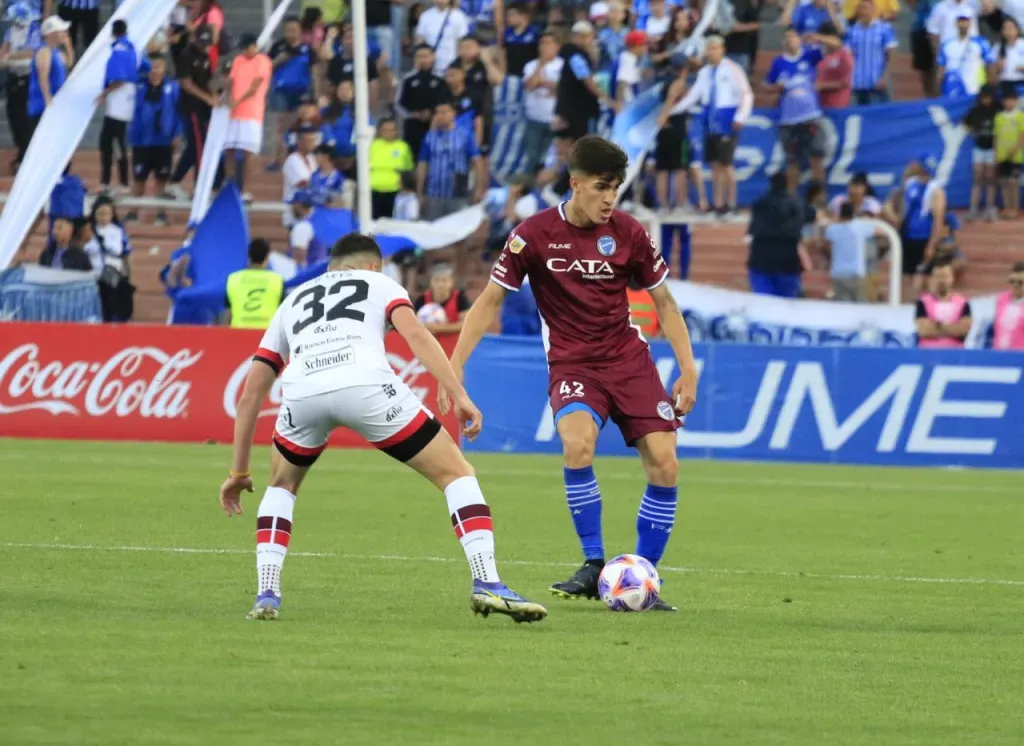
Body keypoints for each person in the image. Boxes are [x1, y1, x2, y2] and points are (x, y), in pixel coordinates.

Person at [219, 232, 547, 624]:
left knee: (282, 485)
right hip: (366, 387)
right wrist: (458, 392)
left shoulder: (293, 300)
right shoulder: (379, 283)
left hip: (303, 392)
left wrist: (239, 472)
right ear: (374, 265)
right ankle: (487, 581)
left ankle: (267, 594)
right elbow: (416, 334)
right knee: (457, 473)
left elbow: (251, 394)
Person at [439, 136, 698, 611]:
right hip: (573, 362)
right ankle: (594, 563)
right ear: (575, 184)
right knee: (578, 444)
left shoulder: (630, 232)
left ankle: (644, 577)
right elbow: (490, 301)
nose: (609, 198)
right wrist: (454, 365)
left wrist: (688, 368)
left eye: (615, 188)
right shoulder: (533, 235)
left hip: (628, 359)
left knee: (666, 462)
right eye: (601, 187)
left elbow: (664, 302)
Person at [665, 36, 753, 216]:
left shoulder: (733, 69)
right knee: (714, 165)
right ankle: (718, 203)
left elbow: (746, 94)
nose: (711, 52)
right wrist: (671, 111)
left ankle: (731, 204)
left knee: (726, 164)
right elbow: (693, 96)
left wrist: (741, 116)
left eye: (714, 48)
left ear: (722, 49)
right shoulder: (704, 72)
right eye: (708, 49)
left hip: (727, 119)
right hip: (710, 121)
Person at [765, 27, 839, 193]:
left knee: (816, 158)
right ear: (782, 42)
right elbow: (767, 85)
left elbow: (836, 45)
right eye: (787, 37)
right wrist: (776, 87)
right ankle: (791, 198)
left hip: (810, 117)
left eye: (793, 37)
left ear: (799, 40)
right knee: (792, 162)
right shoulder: (778, 63)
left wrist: (817, 37)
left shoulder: (809, 55)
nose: (790, 40)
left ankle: (818, 198)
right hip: (789, 120)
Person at [127, 56, 179, 227]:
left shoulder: (172, 88)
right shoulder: (139, 87)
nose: (155, 71)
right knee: (139, 178)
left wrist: (177, 134)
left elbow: (178, 112)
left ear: (164, 70)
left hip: (163, 141)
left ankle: (161, 213)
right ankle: (133, 213)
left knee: (161, 180)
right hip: (142, 141)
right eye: (152, 68)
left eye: (158, 67)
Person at [747, 171, 816, 298]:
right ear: (787, 184)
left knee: (763, 302)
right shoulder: (797, 203)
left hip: (761, 260)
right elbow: (811, 215)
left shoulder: (760, 203)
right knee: (787, 304)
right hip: (788, 261)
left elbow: (752, 230)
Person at [167, 25, 217, 199]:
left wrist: (215, 95)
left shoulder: (205, 55)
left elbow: (208, 80)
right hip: (191, 107)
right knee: (198, 146)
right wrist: (206, 98)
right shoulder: (187, 55)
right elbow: (186, 84)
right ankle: (196, 186)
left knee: (196, 147)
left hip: (203, 108)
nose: (204, 46)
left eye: (207, 43)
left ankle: (175, 182)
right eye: (202, 42)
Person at [416, 99, 486, 219]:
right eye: (437, 113)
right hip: (434, 194)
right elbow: (422, 165)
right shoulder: (429, 137)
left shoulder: (465, 135)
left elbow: (477, 162)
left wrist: (479, 189)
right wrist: (419, 192)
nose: (440, 116)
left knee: (458, 227)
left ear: (453, 114)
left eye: (444, 112)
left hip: (458, 193)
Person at [225, 34, 272, 203]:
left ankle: (246, 190)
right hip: (234, 113)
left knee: (249, 152)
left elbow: (255, 87)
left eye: (248, 47)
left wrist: (236, 101)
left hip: (252, 113)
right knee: (229, 149)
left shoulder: (263, 61)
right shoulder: (238, 60)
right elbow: (231, 81)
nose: (245, 51)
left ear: (255, 46)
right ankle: (229, 187)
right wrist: (229, 97)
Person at [268, 16, 316, 170]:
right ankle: (276, 159)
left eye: (294, 30)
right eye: (288, 30)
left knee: (296, 125)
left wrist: (315, 92)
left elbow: (314, 71)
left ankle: (295, 158)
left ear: (300, 31)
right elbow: (266, 67)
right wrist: (278, 60)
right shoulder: (277, 47)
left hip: (301, 92)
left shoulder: (307, 49)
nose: (291, 33)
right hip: (281, 91)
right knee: (280, 125)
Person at [96, 20, 137, 195]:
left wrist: (104, 93)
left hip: (119, 99)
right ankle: (116, 181)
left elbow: (119, 77)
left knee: (111, 141)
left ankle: (118, 182)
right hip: (125, 98)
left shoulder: (118, 49)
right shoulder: (131, 47)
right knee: (112, 141)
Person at [2, 2, 43, 171]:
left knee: (25, 120)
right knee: (14, 118)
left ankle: (28, 156)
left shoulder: (34, 30)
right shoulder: (10, 31)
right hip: (13, 77)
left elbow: (32, 52)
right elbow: (3, 51)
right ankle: (21, 150)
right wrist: (5, 58)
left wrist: (10, 56)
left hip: (28, 79)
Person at [823, 201, 886, 302]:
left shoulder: (832, 229)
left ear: (840, 213)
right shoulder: (860, 226)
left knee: (841, 306)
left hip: (838, 272)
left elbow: (825, 246)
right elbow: (881, 232)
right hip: (856, 272)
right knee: (859, 305)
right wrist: (867, 220)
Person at [520, 30, 563, 174]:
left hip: (555, 118)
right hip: (534, 118)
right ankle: (529, 185)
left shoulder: (563, 65)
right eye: (542, 43)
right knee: (532, 157)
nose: (544, 47)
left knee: (551, 159)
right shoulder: (531, 65)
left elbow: (563, 89)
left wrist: (544, 83)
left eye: (548, 43)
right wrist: (541, 64)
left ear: (557, 46)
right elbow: (529, 85)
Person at [396, 44, 448, 160]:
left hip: (436, 126)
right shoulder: (407, 79)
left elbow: (446, 102)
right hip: (413, 126)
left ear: (433, 57)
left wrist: (434, 114)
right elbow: (398, 103)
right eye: (420, 56)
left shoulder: (441, 79)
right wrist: (413, 115)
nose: (423, 60)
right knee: (414, 156)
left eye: (426, 56)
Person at [224, 239, 285, 329]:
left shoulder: (233, 279)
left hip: (239, 333)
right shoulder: (277, 280)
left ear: (248, 256)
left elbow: (228, 315)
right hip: (267, 334)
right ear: (266, 257)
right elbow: (283, 316)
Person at [27, 15, 73, 134]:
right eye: (61, 31)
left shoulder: (56, 52)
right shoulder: (44, 51)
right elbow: (43, 77)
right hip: (43, 106)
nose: (65, 33)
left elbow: (69, 62)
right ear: (51, 33)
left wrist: (68, 45)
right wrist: (48, 100)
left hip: (54, 103)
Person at [936, 11, 997, 98]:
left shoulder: (981, 42)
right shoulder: (946, 45)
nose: (963, 24)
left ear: (970, 23)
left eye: (965, 21)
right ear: (956, 23)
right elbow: (941, 69)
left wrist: (990, 87)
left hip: (974, 87)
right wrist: (939, 87)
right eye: (960, 21)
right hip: (951, 88)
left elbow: (990, 64)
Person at [915, 258, 972, 347]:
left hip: (955, 353)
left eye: (945, 276)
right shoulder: (923, 302)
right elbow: (923, 330)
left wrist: (938, 326)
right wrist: (953, 329)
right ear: (931, 278)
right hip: (928, 352)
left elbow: (963, 330)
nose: (942, 280)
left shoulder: (963, 303)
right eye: (938, 276)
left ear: (952, 278)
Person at [963, 84, 1000, 222]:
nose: (986, 100)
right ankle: (974, 207)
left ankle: (990, 207)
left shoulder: (998, 109)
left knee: (991, 177)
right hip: (979, 148)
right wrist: (972, 131)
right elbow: (965, 122)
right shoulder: (976, 110)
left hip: (993, 148)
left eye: (989, 97)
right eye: (984, 97)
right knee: (977, 177)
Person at [370, 117, 414, 219]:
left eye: (391, 130)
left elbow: (409, 169)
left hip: (395, 191)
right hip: (374, 191)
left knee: (393, 220)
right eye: (385, 130)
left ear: (396, 131)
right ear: (380, 131)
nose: (388, 133)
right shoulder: (372, 146)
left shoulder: (403, 147)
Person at [414, 263, 470, 334]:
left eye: (444, 280)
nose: (440, 284)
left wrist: (439, 328)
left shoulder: (460, 299)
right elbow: (412, 322)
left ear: (451, 282)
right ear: (431, 282)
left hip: (452, 339)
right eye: (436, 280)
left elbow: (465, 324)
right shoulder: (422, 299)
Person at [994, 88, 1024, 218]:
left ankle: (1015, 208)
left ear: (1016, 101)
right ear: (1003, 102)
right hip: (1002, 156)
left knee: (1014, 183)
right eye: (1007, 100)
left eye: (1012, 100)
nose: (1009, 103)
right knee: (1004, 183)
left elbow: (1022, 135)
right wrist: (996, 153)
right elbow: (996, 136)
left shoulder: (1020, 116)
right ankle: (1007, 208)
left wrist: (1015, 149)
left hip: (1015, 156)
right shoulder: (999, 117)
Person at [287, 191, 327, 269]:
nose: (291, 208)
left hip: (309, 272)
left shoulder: (302, 226)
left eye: (293, 205)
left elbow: (299, 255)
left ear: (299, 205)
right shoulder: (319, 222)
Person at [993, 261, 1024, 350]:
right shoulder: (1001, 299)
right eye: (1012, 281)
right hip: (999, 353)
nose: (1015, 285)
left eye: (1020, 282)